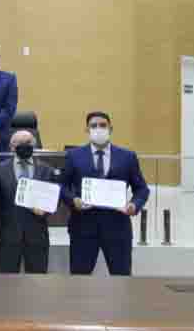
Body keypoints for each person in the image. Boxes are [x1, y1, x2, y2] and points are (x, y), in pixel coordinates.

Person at [60, 112, 150, 276]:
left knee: (122, 279)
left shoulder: (127, 157)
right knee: (79, 281)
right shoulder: (74, 156)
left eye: (103, 125)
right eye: (93, 126)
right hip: (83, 228)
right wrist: (73, 200)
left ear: (111, 129)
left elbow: (142, 189)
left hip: (118, 229)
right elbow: (62, 185)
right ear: (87, 130)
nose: (98, 129)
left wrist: (134, 205)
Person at [0, 130, 56, 274]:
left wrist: (46, 210)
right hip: (9, 235)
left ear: (35, 144)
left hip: (37, 234)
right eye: (19, 143)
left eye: (28, 143)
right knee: (7, 283)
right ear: (11, 147)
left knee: (37, 282)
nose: (24, 146)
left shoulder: (47, 170)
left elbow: (53, 200)